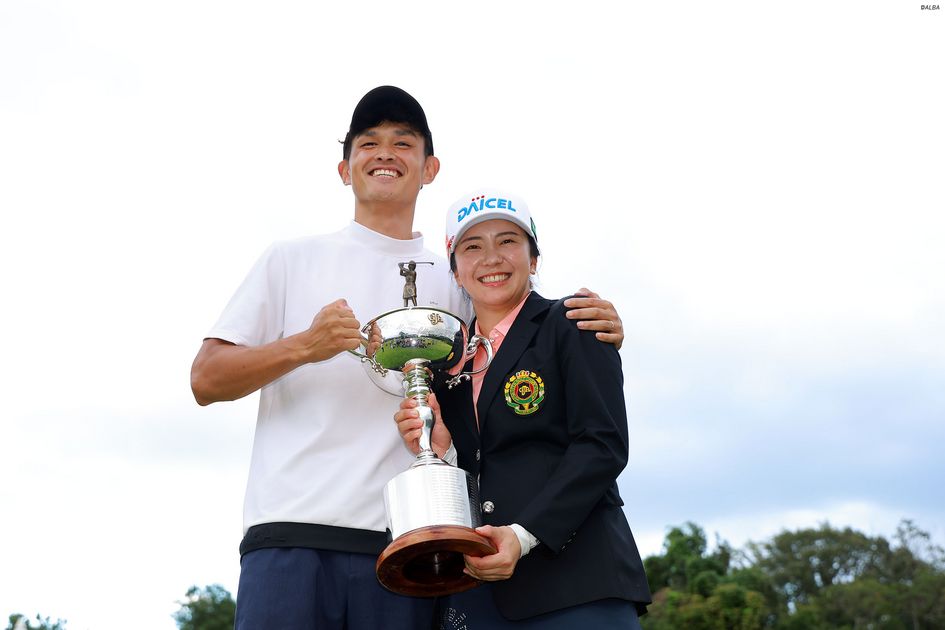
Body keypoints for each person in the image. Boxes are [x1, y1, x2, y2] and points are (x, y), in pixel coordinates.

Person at [190, 87, 627, 630]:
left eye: (403, 142)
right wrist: (305, 345)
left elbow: (521, 333)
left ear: (430, 167)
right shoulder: (290, 259)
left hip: (415, 543)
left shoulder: (458, 280)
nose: (385, 153)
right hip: (291, 533)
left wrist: (599, 324)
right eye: (368, 143)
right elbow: (206, 380)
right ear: (344, 169)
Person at [395, 189, 652, 628]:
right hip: (479, 591)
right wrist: (443, 452)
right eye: (473, 247)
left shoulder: (575, 322)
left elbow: (602, 445)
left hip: (577, 585)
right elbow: (480, 466)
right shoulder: (446, 364)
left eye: (508, 241)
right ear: (456, 271)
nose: (491, 258)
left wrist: (522, 535)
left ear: (534, 260)